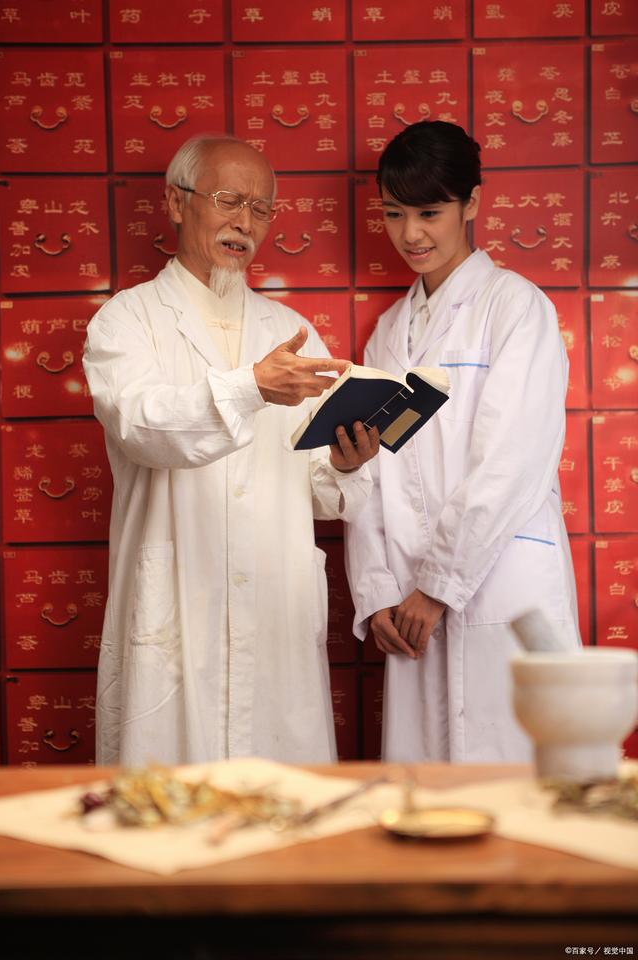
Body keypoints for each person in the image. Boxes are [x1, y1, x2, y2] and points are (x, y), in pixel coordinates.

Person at [83, 134, 379, 767]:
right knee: (170, 797)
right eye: (228, 200)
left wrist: (345, 463)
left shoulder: (289, 332)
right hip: (177, 603)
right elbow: (142, 425)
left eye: (261, 208)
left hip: (274, 606)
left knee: (281, 798)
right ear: (176, 202)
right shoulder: (128, 320)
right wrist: (251, 389)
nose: (245, 223)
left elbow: (317, 486)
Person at [344, 120, 580, 763]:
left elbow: (513, 460)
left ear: (471, 203)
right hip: (409, 602)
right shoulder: (389, 333)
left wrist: (439, 584)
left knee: (517, 777)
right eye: (394, 213)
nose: (411, 234)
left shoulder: (515, 307)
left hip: (497, 580)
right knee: (425, 792)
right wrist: (379, 591)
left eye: (430, 212)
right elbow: (373, 471)